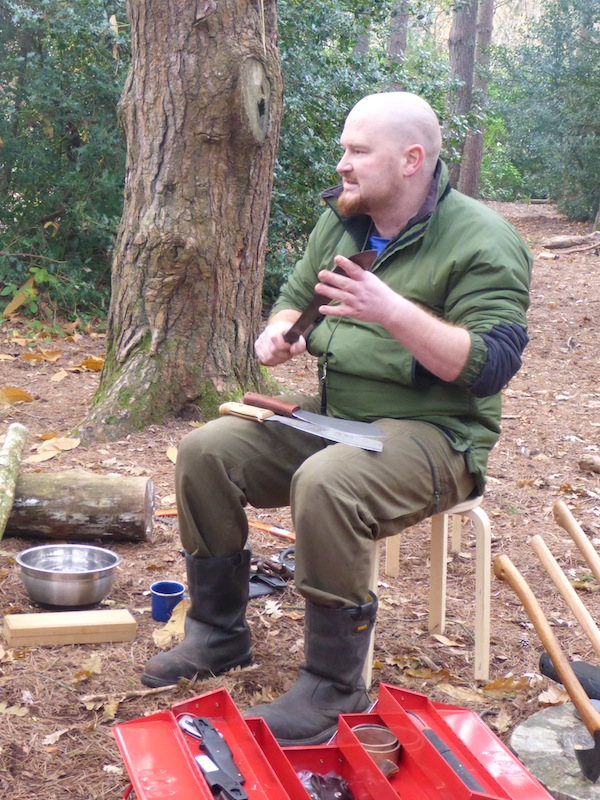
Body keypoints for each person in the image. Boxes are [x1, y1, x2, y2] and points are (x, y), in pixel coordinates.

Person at [141, 92, 532, 746]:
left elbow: (492, 364)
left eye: (357, 151)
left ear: (411, 160)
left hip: (438, 436)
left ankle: (332, 685)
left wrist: (395, 312)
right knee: (207, 450)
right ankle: (217, 631)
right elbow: (295, 302)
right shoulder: (344, 221)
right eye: (343, 149)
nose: (342, 164)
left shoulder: (483, 239)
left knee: (327, 481)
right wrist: (277, 335)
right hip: (337, 419)